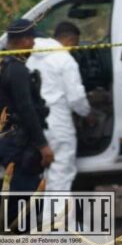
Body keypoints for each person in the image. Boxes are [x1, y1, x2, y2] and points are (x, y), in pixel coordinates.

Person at [26, 21, 92, 192]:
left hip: (38, 123)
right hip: (59, 123)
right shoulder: (65, 59)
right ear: (70, 40)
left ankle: (53, 217)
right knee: (62, 174)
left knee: (47, 175)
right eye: (75, 45)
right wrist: (87, 114)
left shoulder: (32, 57)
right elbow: (76, 98)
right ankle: (58, 218)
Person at [0, 19, 54, 193]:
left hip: (7, 141)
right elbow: (26, 109)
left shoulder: (0, 65)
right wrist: (43, 145)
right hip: (19, 145)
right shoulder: (16, 70)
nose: (34, 44)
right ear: (23, 41)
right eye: (32, 40)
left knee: (17, 196)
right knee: (26, 198)